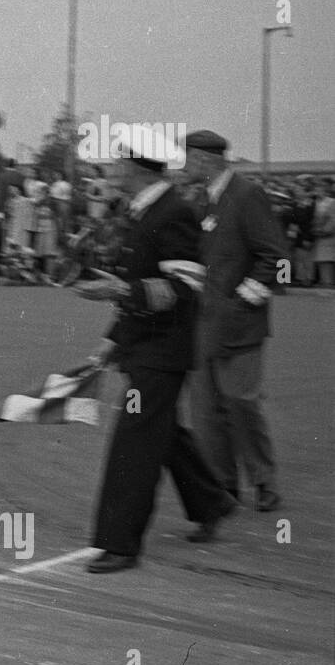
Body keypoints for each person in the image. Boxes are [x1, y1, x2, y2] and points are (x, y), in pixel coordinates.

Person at [76, 128, 236, 574]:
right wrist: (111, 343)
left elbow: (186, 287)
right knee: (161, 431)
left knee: (135, 439)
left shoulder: (171, 213)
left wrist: (119, 289)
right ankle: (211, 501)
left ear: (133, 167)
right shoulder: (147, 212)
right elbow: (144, 286)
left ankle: (120, 544)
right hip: (146, 345)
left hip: (163, 351)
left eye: (115, 163)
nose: (110, 169)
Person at [184, 130, 288, 512]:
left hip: (240, 326)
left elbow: (277, 259)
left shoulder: (246, 196)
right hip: (204, 326)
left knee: (241, 404)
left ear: (207, 161)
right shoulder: (204, 201)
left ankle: (263, 481)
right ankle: (223, 486)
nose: (184, 166)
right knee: (207, 413)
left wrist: (241, 302)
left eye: (189, 159)